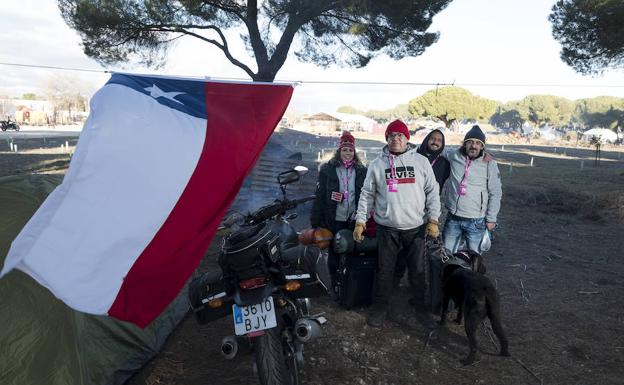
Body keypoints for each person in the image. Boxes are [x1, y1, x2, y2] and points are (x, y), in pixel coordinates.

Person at [352, 119, 441, 327]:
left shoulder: (421, 162)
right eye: (392, 136)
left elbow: (433, 192)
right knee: (385, 271)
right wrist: (360, 222)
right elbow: (366, 194)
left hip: (415, 229)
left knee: (418, 273)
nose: (396, 139)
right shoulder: (377, 165)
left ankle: (422, 311)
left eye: (400, 135)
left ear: (407, 139)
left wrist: (433, 219)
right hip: (387, 229)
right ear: (387, 139)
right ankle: (380, 309)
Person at [310, 131, 367, 294]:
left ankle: (349, 281)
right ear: (339, 151)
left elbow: (366, 194)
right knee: (334, 250)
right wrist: (316, 221)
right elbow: (319, 196)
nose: (348, 153)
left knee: (351, 249)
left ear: (354, 152)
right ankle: (333, 281)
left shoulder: (361, 171)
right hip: (334, 216)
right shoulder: (328, 170)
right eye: (344, 150)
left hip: (353, 217)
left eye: (350, 150)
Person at [393, 128, 451, 287]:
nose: (435, 142)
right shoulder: (414, 156)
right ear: (427, 139)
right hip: (410, 208)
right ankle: (395, 279)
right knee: (403, 248)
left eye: (439, 140)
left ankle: (416, 285)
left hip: (429, 211)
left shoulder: (444, 163)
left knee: (420, 251)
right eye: (433, 138)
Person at [443, 125, 502, 254]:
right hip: (453, 217)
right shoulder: (454, 156)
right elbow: (437, 149)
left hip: (476, 221)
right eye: (469, 142)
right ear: (464, 144)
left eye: (477, 143)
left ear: (482, 146)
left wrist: (491, 218)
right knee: (446, 256)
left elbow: (495, 193)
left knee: (474, 259)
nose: (473, 146)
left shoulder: (489, 163)